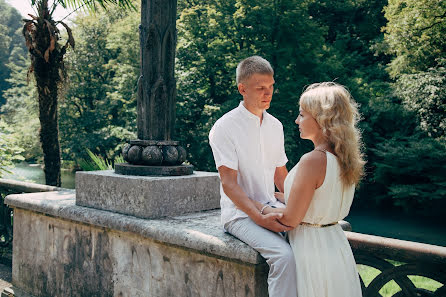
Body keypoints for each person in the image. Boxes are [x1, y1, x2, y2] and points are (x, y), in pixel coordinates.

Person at [256, 82, 365, 297]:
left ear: (322, 119)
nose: (297, 120)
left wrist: (259, 206)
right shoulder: (344, 158)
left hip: (312, 251)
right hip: (335, 245)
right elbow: (318, 200)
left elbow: (290, 220)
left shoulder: (313, 160)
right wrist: (281, 196)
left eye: (302, 115)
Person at [208, 56, 297, 297]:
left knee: (310, 244)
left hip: (271, 205)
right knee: (284, 257)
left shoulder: (276, 126)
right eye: (260, 88)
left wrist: (298, 204)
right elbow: (229, 184)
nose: (268, 93)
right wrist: (258, 217)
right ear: (242, 89)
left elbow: (281, 176)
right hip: (239, 214)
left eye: (271, 87)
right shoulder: (224, 127)